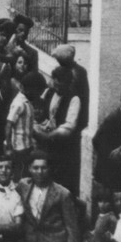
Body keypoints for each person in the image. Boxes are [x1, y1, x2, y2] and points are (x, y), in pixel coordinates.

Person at [33, 68, 84, 197]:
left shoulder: (74, 99)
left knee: (63, 183)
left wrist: (50, 135)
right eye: (55, 83)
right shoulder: (50, 93)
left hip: (64, 148)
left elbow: (69, 126)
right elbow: (43, 114)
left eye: (60, 84)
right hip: (48, 145)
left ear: (67, 83)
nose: (57, 87)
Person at [7, 70, 46, 173]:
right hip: (19, 148)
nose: (38, 96)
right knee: (19, 172)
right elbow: (9, 124)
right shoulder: (19, 103)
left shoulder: (27, 102)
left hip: (27, 145)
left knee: (26, 171)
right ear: (29, 90)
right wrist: (9, 147)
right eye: (38, 93)